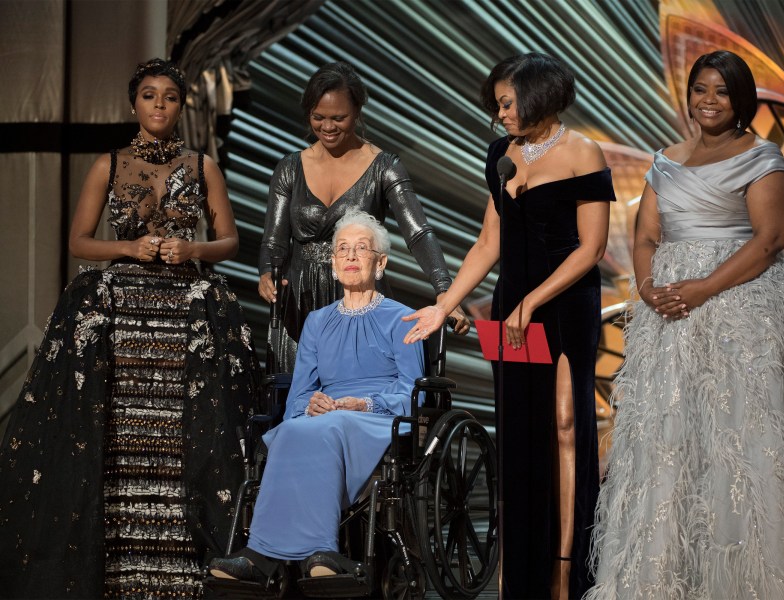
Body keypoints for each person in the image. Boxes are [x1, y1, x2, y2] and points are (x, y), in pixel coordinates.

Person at [586, 50, 784, 599]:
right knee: (674, 436)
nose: (709, 101)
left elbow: (771, 238)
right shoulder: (665, 160)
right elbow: (645, 236)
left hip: (742, 309)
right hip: (672, 319)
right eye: (700, 89)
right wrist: (650, 288)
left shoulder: (761, 157)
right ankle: (671, 574)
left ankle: (754, 575)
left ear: (741, 100)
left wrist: (704, 288)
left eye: (722, 91)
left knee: (744, 431)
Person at [0, 58, 258, 599]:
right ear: (133, 103)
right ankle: (115, 570)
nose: (159, 105)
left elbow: (231, 242)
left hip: (185, 310)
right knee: (116, 438)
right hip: (121, 311)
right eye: (149, 95)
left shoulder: (203, 166)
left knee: (180, 438)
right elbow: (79, 242)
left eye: (169, 96)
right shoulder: (109, 165)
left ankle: (183, 572)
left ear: (181, 106)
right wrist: (129, 247)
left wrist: (193, 249)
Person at [403, 53, 614, 600]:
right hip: (511, 312)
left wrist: (533, 302)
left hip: (566, 305)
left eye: (507, 103)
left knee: (565, 426)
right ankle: (521, 577)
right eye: (497, 105)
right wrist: (444, 303)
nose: (500, 114)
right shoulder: (500, 154)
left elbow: (591, 248)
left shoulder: (582, 152)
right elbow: (487, 242)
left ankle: (568, 571)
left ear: (540, 96)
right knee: (519, 434)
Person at [208, 209, 425, 582]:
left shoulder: (403, 318)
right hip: (328, 417)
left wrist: (366, 403)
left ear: (380, 263)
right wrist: (310, 404)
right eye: (343, 249)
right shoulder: (317, 321)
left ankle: (322, 551)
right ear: (334, 264)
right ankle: (260, 555)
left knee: (328, 428)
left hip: (380, 419)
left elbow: (412, 392)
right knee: (290, 430)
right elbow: (300, 393)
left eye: (362, 248)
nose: (351, 256)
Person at [257, 61, 468, 373]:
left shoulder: (384, 166)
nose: (327, 127)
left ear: (357, 112)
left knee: (358, 390)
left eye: (338, 118)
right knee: (298, 393)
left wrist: (445, 292)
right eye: (318, 117)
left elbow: (418, 233)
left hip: (359, 296)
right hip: (300, 302)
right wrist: (267, 273)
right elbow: (274, 242)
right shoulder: (289, 168)